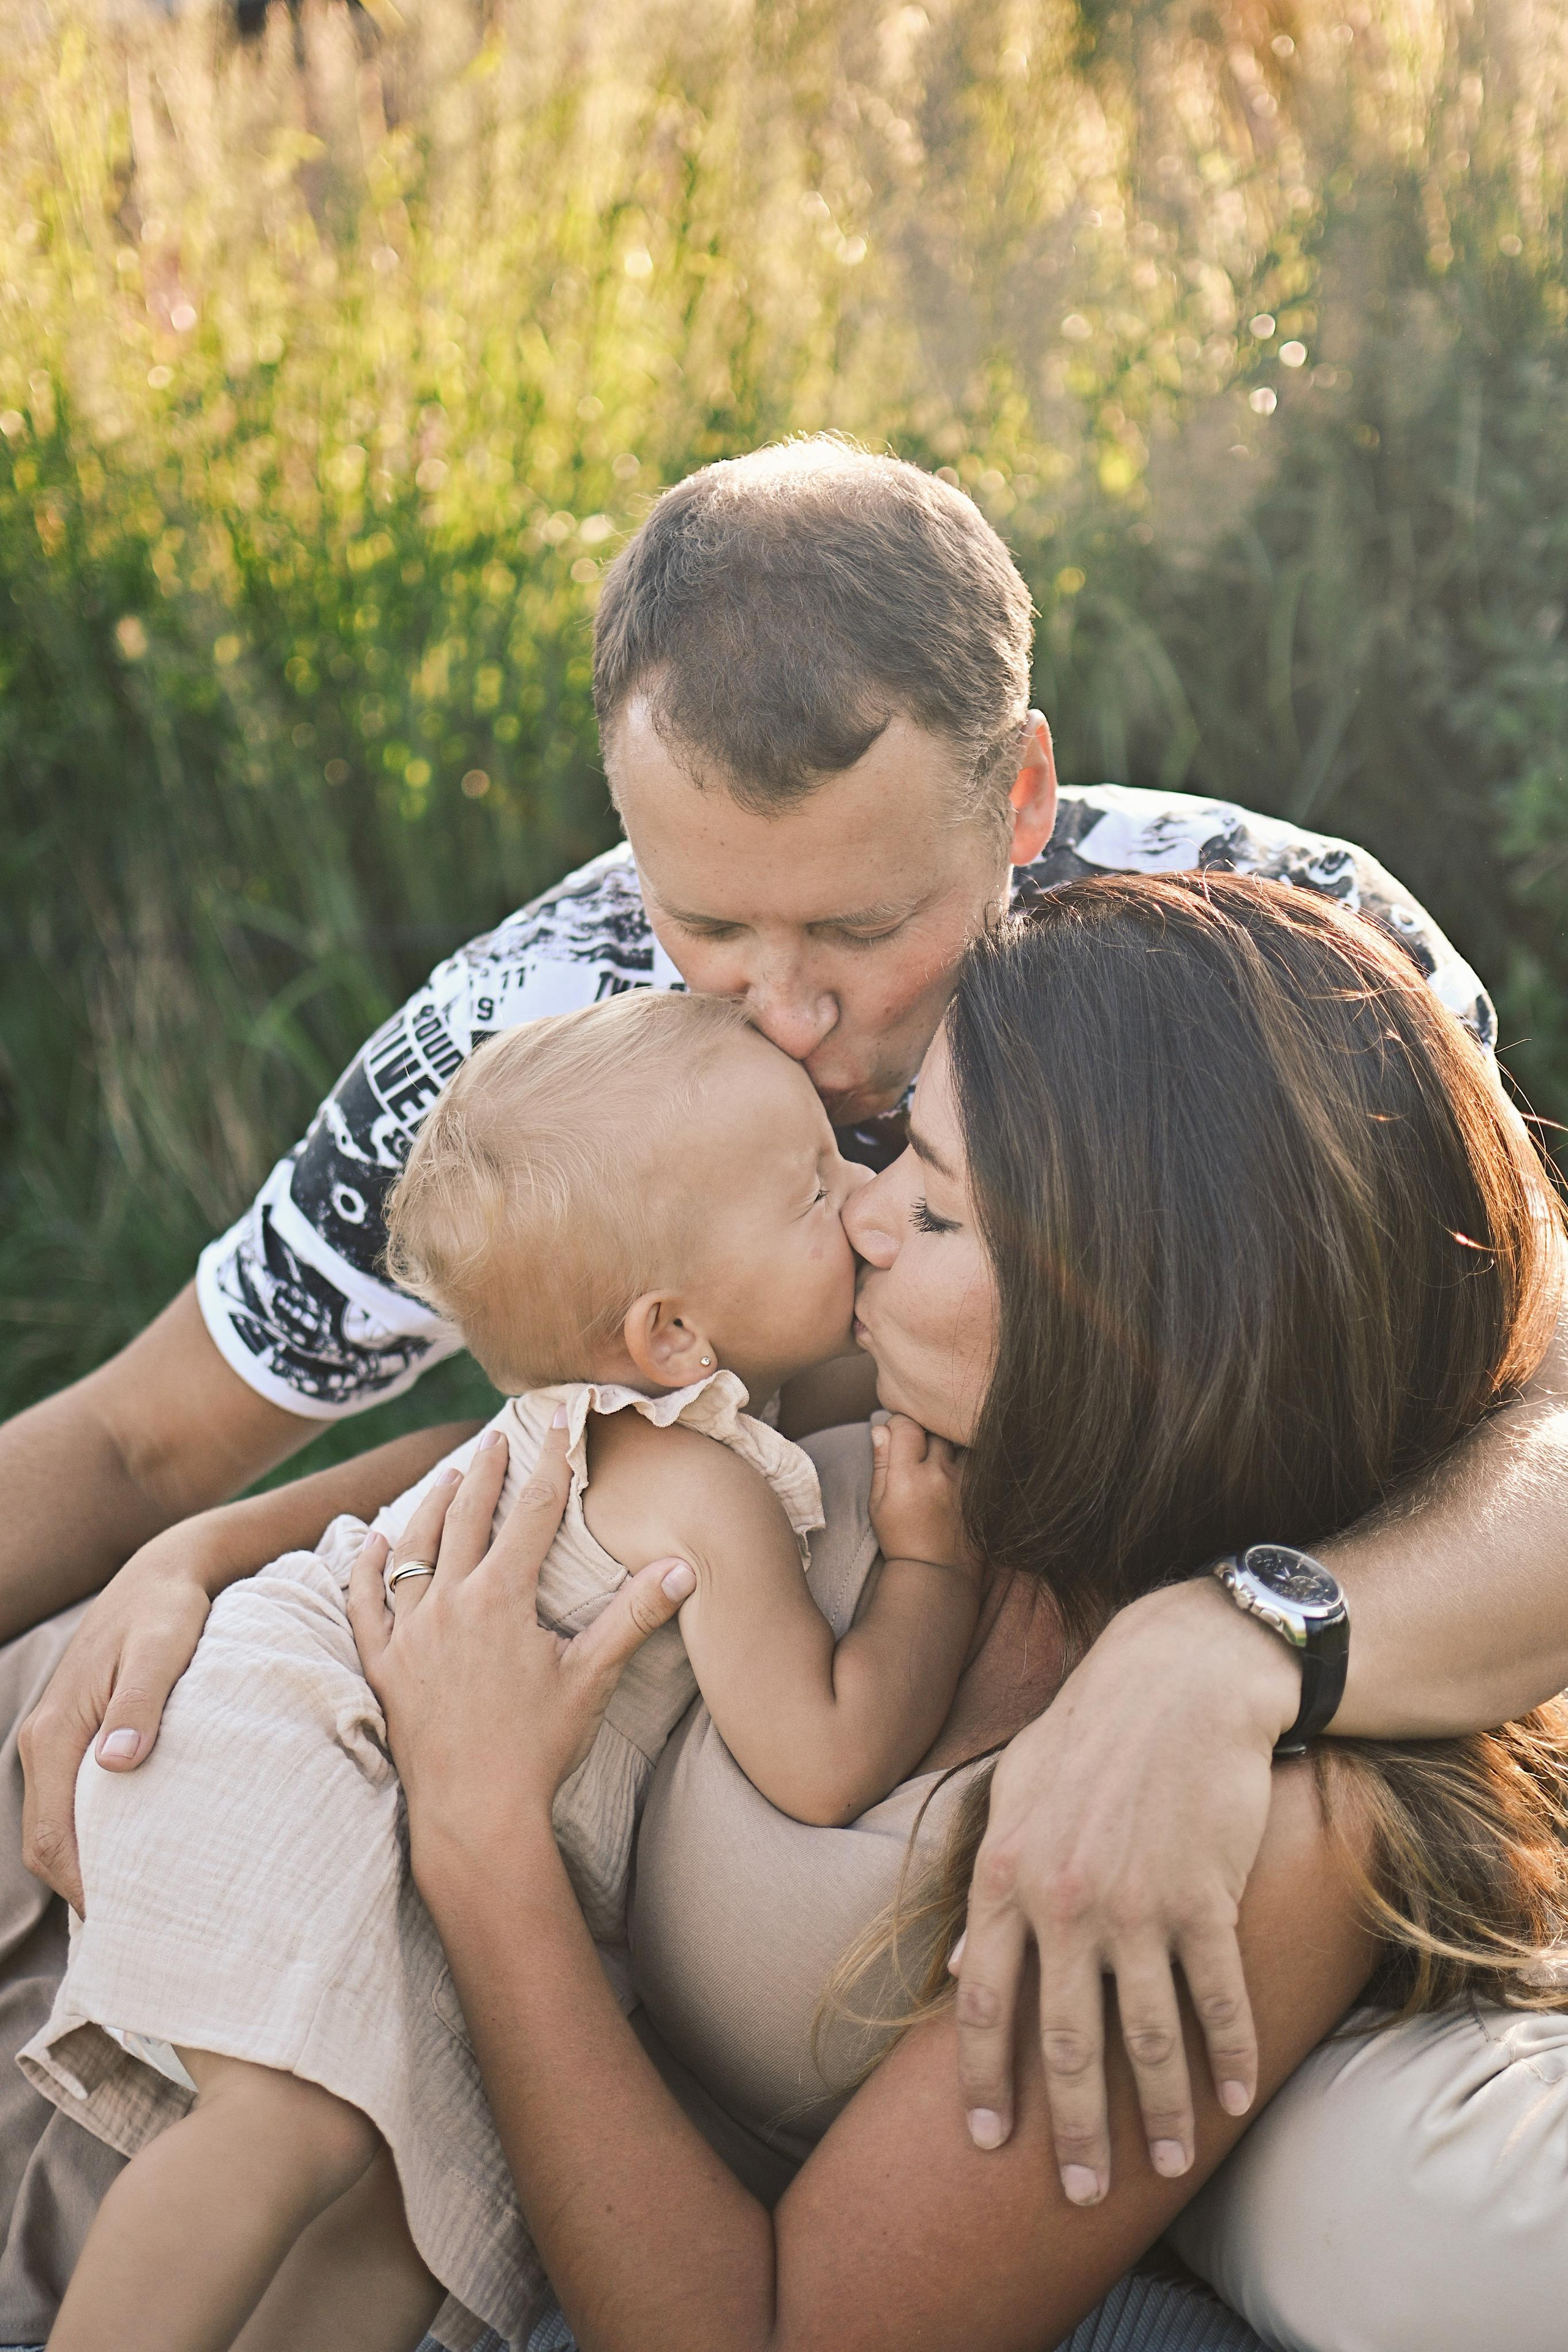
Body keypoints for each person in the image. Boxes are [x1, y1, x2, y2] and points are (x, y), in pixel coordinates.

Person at [3, 435, 1568, 2326]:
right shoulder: (565, 1035)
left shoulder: (1273, 997)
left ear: (1022, 799)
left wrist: (1242, 1648)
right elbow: (157, 1436)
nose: (790, 1017)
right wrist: (199, 1552)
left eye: (859, 931)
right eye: (710, 928)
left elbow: (1521, 1405)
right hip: (254, 1767)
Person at [337, 875, 1568, 2352]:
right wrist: (193, 1554)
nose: (858, 1216)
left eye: (927, 1204)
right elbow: (585, 1418)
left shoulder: (1234, 1824)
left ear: (1132, 1323)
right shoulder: (938, 1429)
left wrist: (481, 1846)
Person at [28, 989, 975, 2352]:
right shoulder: (692, 1483)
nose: (869, 1198)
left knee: (408, 2211)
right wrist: (930, 1564)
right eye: (816, 1191)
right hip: (305, 1725)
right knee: (289, 2125)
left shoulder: (691, 1407)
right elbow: (823, 1761)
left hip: (353, 1742)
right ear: (670, 1336)